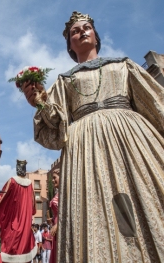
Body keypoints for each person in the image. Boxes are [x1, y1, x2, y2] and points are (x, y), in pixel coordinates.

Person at [21, 10, 164, 263]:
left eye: (86, 27)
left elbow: (153, 102)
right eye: (75, 31)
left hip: (131, 139)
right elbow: (54, 128)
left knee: (146, 194)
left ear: (96, 36)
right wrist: (40, 103)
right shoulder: (65, 81)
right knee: (94, 206)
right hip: (85, 147)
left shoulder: (123, 65)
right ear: (70, 45)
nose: (82, 32)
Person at [0, 160, 37, 263]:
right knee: (24, 246)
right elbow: (33, 206)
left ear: (17, 168)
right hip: (25, 222)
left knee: (9, 241)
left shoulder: (12, 181)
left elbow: (2, 198)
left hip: (12, 220)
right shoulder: (30, 184)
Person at [47, 169, 59, 263]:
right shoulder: (58, 193)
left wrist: (58, 224)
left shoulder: (65, 193)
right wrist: (53, 218)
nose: (52, 180)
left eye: (54, 177)